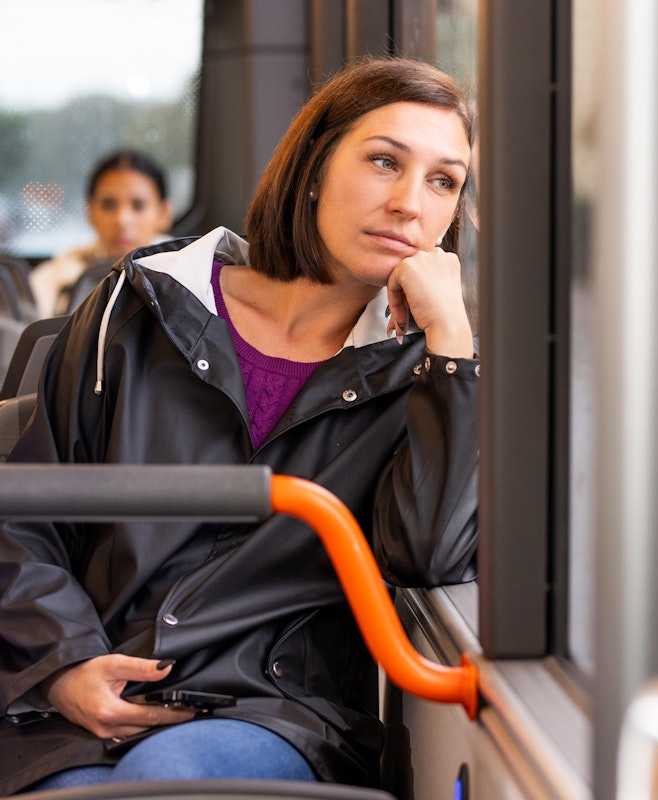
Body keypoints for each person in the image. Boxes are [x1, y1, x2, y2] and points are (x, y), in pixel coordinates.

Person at [0, 56, 478, 793]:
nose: (410, 203)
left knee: (169, 780)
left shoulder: (420, 377)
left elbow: (429, 555)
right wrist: (61, 665)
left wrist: (451, 346)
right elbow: (20, 514)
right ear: (315, 166)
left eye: (443, 180)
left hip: (278, 714)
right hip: (84, 695)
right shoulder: (138, 307)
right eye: (385, 162)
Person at [28, 149, 173, 317]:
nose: (122, 220)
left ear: (164, 214)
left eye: (138, 205)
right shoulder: (57, 277)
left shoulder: (186, 272)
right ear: (90, 212)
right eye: (108, 205)